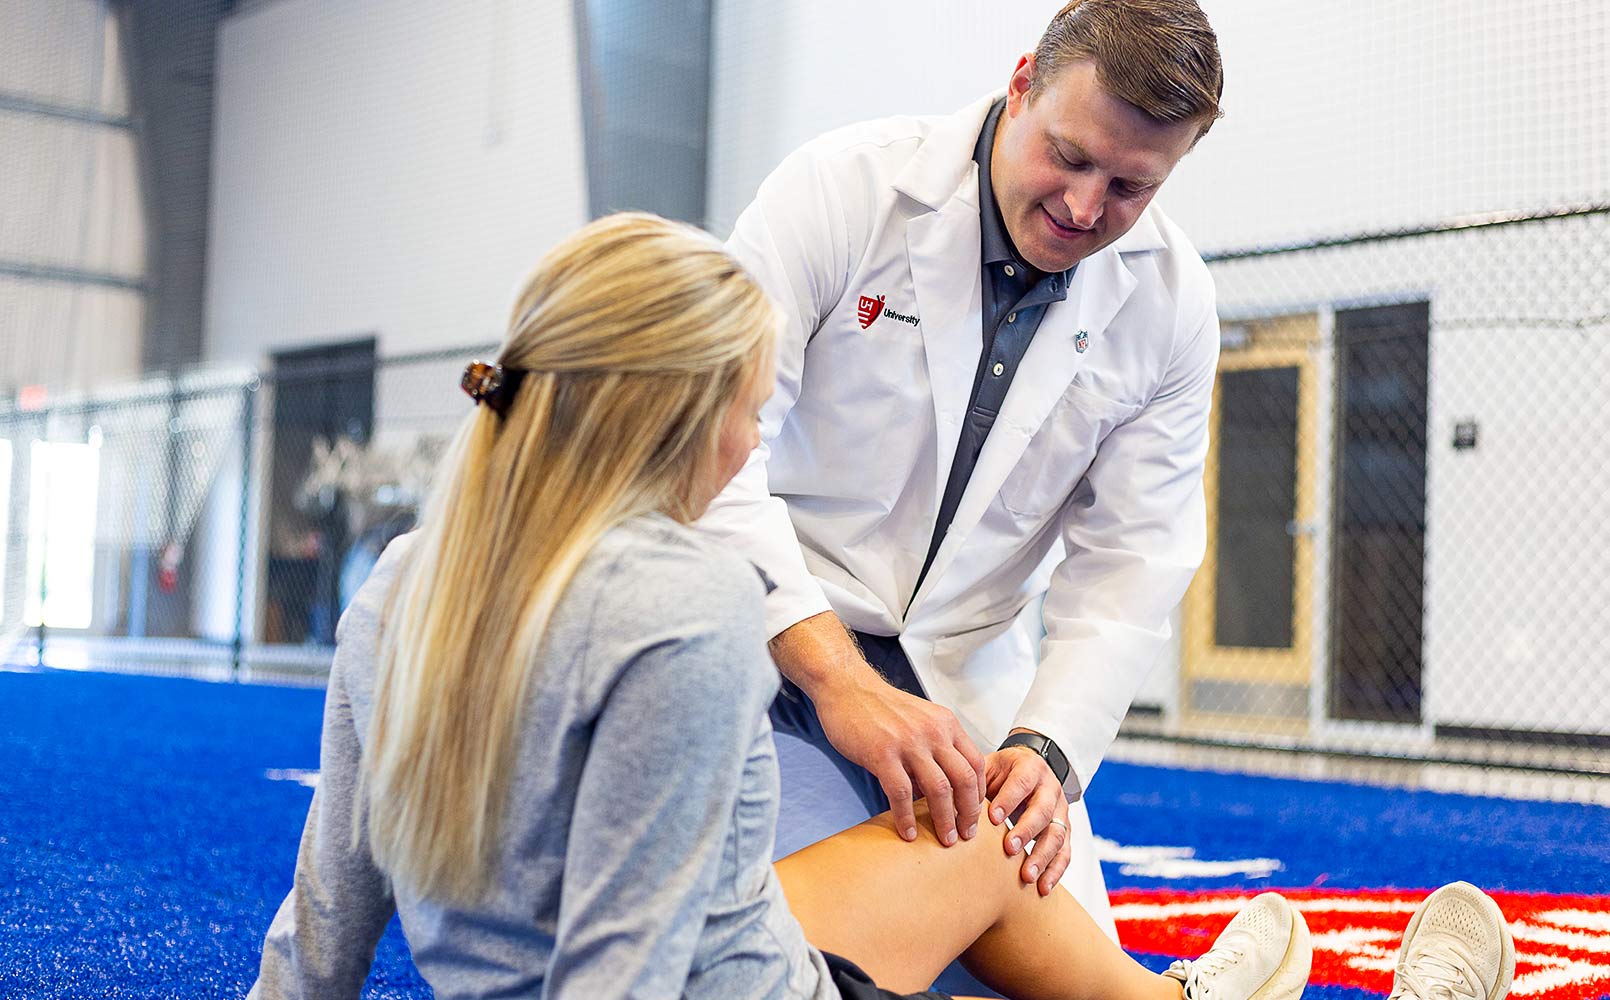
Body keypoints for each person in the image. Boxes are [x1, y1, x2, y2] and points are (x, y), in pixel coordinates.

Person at [248, 213, 1517, 1000]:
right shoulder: (688, 599)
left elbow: (327, 917)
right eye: (749, 408)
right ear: (672, 421)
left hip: (721, 965)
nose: (756, 445)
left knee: (975, 827)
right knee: (987, 825)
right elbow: (623, 974)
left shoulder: (405, 576)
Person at [699, 0, 1228, 930]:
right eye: (1068, 157)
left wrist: (1047, 749)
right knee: (782, 942)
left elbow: (1132, 562)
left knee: (1051, 964)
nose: (1082, 207)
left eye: (1131, 187)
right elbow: (708, 453)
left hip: (964, 674)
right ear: (1022, 82)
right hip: (769, 630)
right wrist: (840, 681)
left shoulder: (1174, 306)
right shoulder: (840, 191)